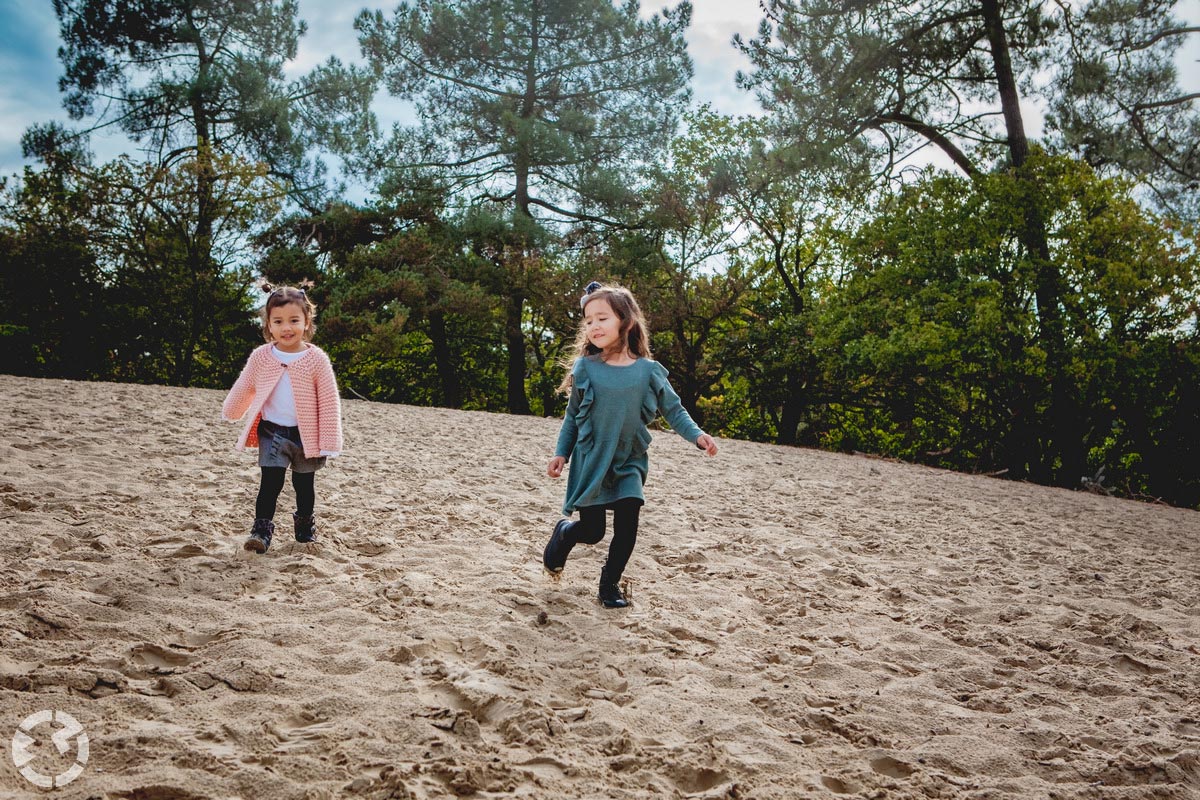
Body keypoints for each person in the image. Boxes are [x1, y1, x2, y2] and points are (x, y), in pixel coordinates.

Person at [545, 281, 718, 608]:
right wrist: (561, 453)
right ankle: (566, 533)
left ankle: (609, 586)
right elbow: (572, 417)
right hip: (592, 459)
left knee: (628, 522)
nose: (593, 326)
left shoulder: (648, 371)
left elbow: (673, 409)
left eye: (602, 318)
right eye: (588, 320)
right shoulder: (586, 368)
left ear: (626, 321)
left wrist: (697, 435)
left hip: (629, 461)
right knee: (593, 531)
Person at [222, 285, 343, 553]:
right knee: (270, 483)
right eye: (278, 321)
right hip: (272, 432)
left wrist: (330, 440)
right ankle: (261, 530)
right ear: (269, 325)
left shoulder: (316, 360)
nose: (286, 327)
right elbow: (246, 385)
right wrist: (232, 409)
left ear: (306, 322)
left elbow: (329, 400)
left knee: (304, 485)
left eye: (294, 321)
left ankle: (304, 527)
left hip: (306, 435)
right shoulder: (262, 356)